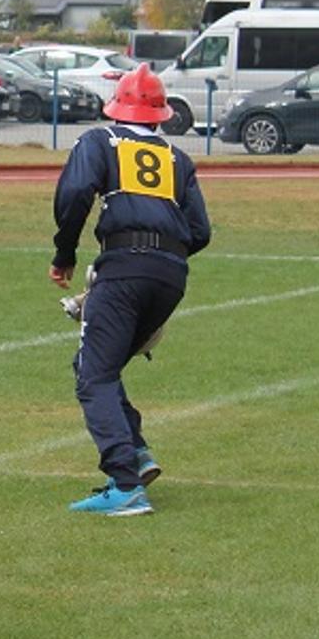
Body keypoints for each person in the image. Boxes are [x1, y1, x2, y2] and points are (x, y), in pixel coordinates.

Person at [51, 64, 210, 517]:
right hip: (171, 275)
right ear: (160, 114)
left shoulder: (100, 141)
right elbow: (200, 230)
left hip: (123, 267)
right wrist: (162, 259)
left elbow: (75, 193)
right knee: (98, 363)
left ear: (117, 105)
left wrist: (64, 254)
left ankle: (124, 482)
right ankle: (136, 452)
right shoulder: (178, 158)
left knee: (93, 375)